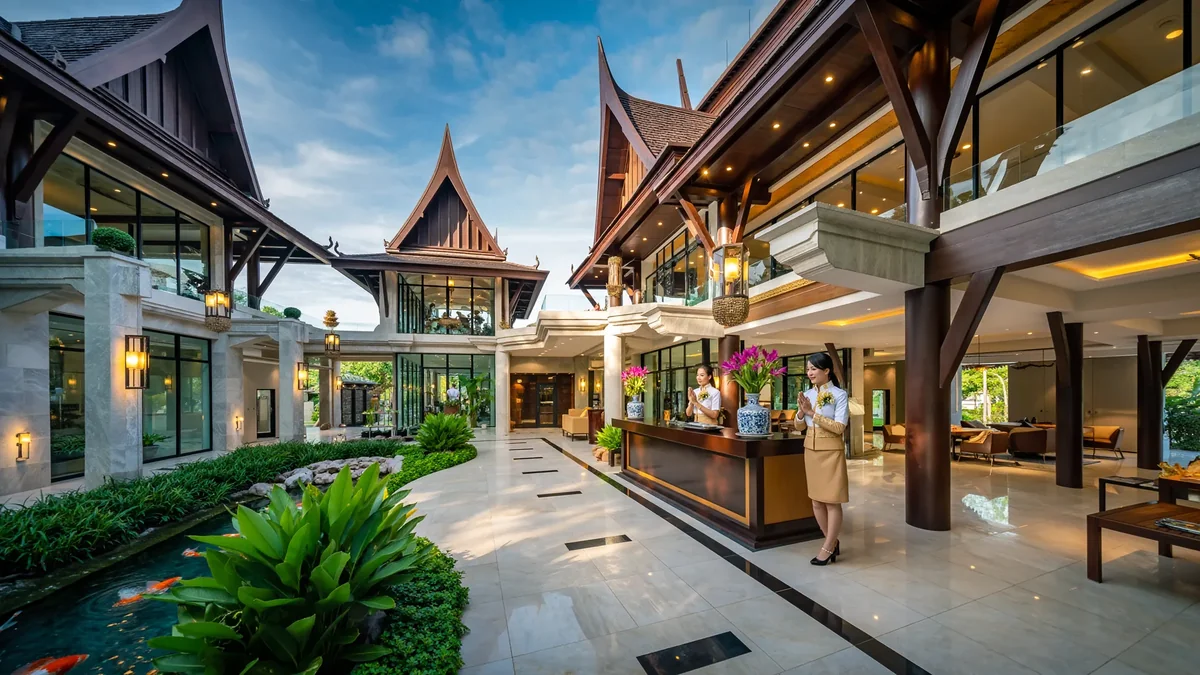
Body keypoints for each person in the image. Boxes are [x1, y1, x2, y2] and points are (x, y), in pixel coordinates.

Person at [793, 353, 849, 565]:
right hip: (811, 450)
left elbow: (839, 427)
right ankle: (832, 541)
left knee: (832, 501)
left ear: (827, 371)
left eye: (814, 369)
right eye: (808, 369)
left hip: (831, 452)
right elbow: (799, 426)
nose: (810, 373)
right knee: (816, 501)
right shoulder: (806, 394)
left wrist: (811, 412)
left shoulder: (839, 395)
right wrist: (800, 413)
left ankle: (827, 547)